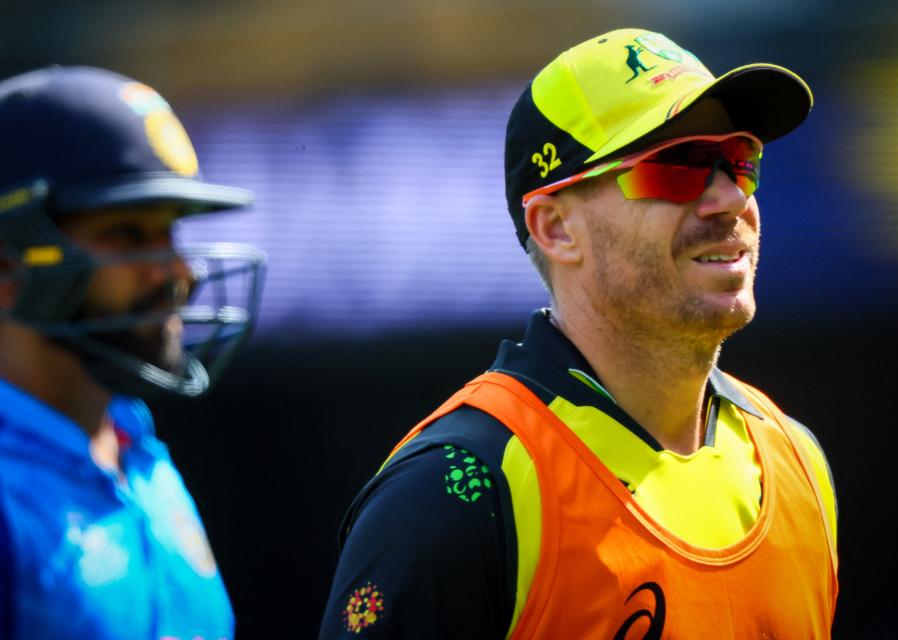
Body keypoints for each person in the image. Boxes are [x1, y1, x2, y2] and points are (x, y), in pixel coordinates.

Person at [319, 28, 837, 639]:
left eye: (739, 159)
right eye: (680, 164)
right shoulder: (457, 488)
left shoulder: (797, 460)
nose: (728, 198)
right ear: (556, 227)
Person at [0, 66, 266, 639]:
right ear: (6, 266)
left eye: (170, 232)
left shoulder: (141, 457)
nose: (178, 273)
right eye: (126, 233)